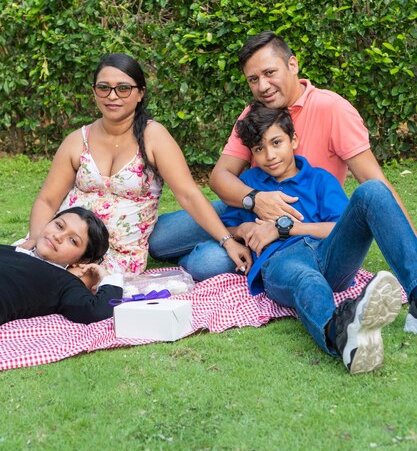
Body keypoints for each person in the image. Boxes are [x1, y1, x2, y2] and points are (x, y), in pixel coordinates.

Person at [149, 30, 415, 278]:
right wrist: (255, 200)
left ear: (292, 65)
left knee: (207, 263)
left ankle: (218, 246)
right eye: (253, 79)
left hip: (303, 218)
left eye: (269, 73)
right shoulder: (253, 114)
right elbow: (220, 177)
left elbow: (375, 183)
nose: (263, 86)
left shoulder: (332, 108)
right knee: (159, 239)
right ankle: (227, 238)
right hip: (247, 210)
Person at [220, 102, 417, 374]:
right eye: (259, 149)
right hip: (282, 260)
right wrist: (243, 231)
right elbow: (226, 225)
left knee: (372, 190)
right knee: (307, 279)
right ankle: (343, 337)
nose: (270, 155)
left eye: (277, 142)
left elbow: (336, 228)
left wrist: (284, 228)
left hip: (331, 255)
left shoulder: (320, 179)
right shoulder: (251, 181)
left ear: (294, 140)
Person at [21, 53, 251, 275]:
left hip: (118, 254)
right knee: (20, 271)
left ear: (140, 93)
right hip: (65, 243)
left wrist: (227, 240)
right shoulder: (77, 140)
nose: (112, 96)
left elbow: (189, 194)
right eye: (104, 88)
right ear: (94, 92)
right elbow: (47, 199)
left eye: (123, 88)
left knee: (71, 282)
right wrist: (36, 236)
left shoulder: (154, 137)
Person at [1, 206, 123, 325]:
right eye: (59, 225)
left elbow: (95, 310)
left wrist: (106, 278)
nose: (58, 236)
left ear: (83, 261)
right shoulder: (13, 250)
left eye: (73, 241)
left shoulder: (64, 281)